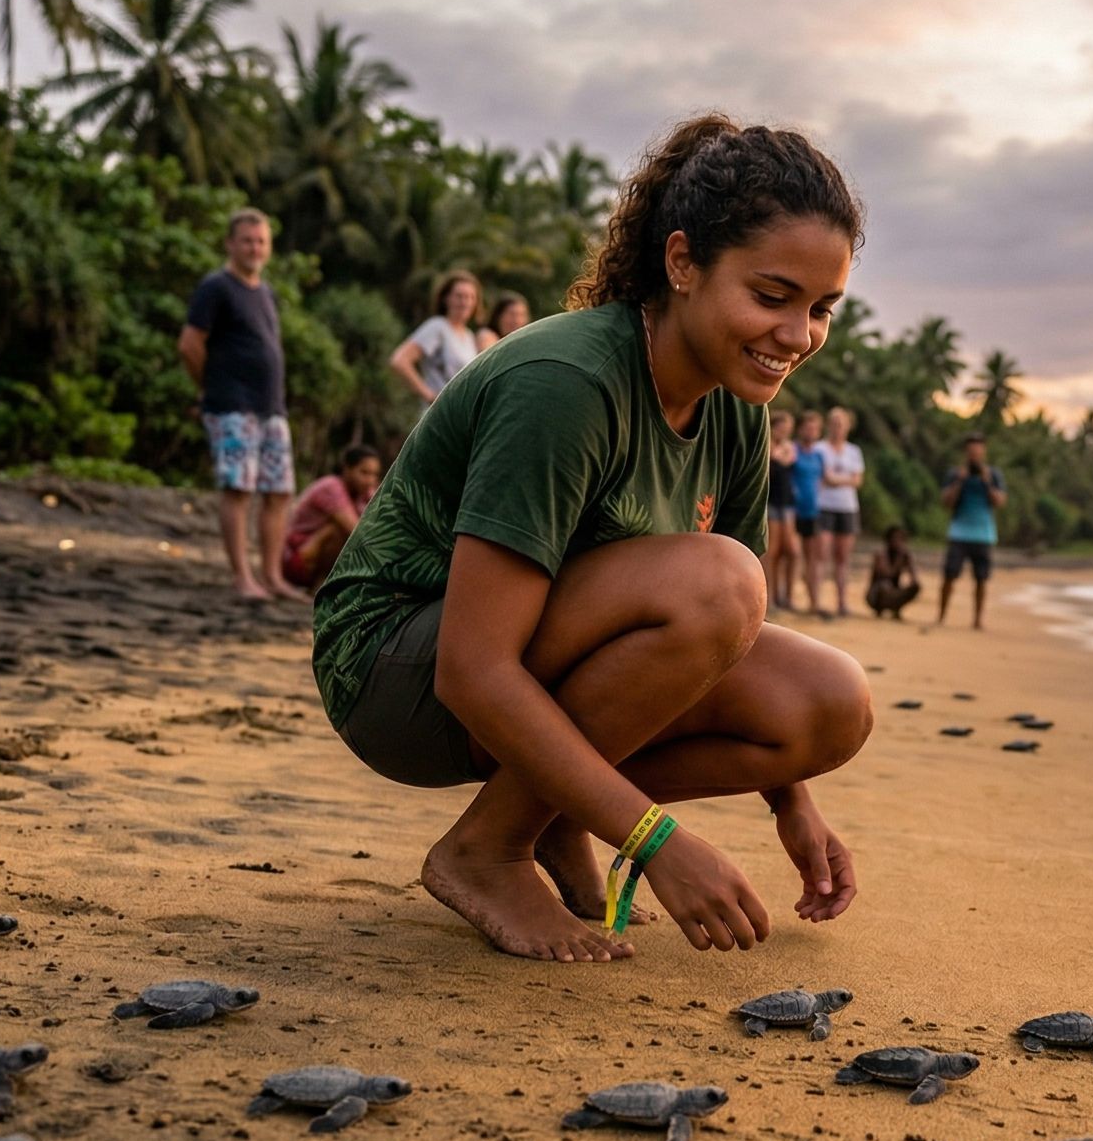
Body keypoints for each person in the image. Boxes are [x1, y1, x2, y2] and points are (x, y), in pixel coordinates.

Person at [310, 113, 872, 963]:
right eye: (771, 297)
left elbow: (731, 645)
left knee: (830, 703)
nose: (797, 337)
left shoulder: (735, 408)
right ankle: (488, 848)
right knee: (719, 584)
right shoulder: (566, 383)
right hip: (395, 669)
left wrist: (792, 802)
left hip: (522, 661)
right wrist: (652, 839)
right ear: (682, 263)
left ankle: (549, 813)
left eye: (821, 308)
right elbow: (472, 669)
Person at [179, 208, 299, 601]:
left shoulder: (265, 292)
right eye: (247, 240)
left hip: (271, 407)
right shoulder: (216, 287)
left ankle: (272, 576)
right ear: (230, 243)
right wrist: (209, 387)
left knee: (279, 492)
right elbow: (190, 344)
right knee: (239, 489)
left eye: (261, 241)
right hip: (232, 406)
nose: (255, 248)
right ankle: (243, 578)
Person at [282, 445, 383, 591]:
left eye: (374, 475)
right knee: (340, 530)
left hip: (308, 560)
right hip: (294, 561)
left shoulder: (361, 493)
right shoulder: (331, 486)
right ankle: (322, 586)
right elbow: (357, 532)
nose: (370, 480)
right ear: (347, 469)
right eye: (364, 472)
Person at [935, 434, 1005, 630]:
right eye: (971, 452)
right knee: (949, 575)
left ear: (983, 452)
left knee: (981, 579)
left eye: (977, 451)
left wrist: (987, 482)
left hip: (984, 534)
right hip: (958, 532)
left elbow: (1000, 502)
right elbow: (946, 502)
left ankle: (977, 620)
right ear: (966, 452)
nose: (974, 455)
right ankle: (941, 616)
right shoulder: (956, 474)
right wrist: (960, 481)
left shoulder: (993, 474)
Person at [390, 270, 482, 403]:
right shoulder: (438, 327)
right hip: (440, 412)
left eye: (470, 297)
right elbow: (399, 361)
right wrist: (430, 396)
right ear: (446, 298)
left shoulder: (469, 336)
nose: (464, 302)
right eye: (459, 296)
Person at [814, 406, 865, 617]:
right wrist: (845, 480)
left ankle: (842, 602)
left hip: (847, 508)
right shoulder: (819, 448)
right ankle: (816, 602)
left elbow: (857, 480)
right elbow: (825, 477)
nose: (837, 428)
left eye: (841, 424)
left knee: (843, 557)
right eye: (834, 424)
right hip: (823, 506)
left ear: (848, 427)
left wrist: (835, 479)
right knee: (821, 554)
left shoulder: (854, 451)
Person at [787, 409, 826, 616]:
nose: (811, 432)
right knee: (793, 554)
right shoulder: (792, 450)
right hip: (793, 510)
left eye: (814, 428)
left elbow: (821, 480)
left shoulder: (819, 455)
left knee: (812, 557)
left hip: (812, 510)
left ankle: (813, 601)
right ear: (800, 429)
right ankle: (788, 597)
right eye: (807, 428)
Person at [764, 409, 802, 611]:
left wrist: (780, 453)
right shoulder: (766, 444)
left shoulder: (788, 447)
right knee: (772, 551)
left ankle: (787, 596)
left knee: (792, 551)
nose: (785, 432)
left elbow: (788, 460)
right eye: (781, 428)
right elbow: (775, 461)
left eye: (788, 429)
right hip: (771, 500)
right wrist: (777, 453)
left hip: (787, 502)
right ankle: (770, 597)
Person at [864, 525, 920, 619]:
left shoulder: (904, 555)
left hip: (893, 590)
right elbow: (886, 574)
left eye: (900, 539)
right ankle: (880, 608)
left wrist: (909, 562)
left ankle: (896, 608)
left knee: (916, 587)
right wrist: (899, 560)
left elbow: (914, 579)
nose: (897, 542)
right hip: (877, 594)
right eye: (895, 538)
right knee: (885, 585)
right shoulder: (881, 554)